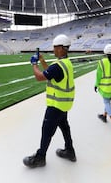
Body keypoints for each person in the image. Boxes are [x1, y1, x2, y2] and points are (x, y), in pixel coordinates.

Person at [23, 34, 76, 168]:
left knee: (46, 130)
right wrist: (42, 61)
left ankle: (40, 157)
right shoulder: (66, 63)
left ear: (62, 48)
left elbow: (40, 77)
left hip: (56, 105)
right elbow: (51, 73)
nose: (53, 49)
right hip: (65, 103)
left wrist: (34, 64)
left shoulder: (58, 65)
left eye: (55, 47)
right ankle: (70, 150)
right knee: (64, 126)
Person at [95, 44, 111, 133]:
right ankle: (104, 116)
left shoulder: (102, 62)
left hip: (105, 87)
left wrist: (96, 85)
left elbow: (98, 76)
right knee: (108, 102)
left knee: (107, 103)